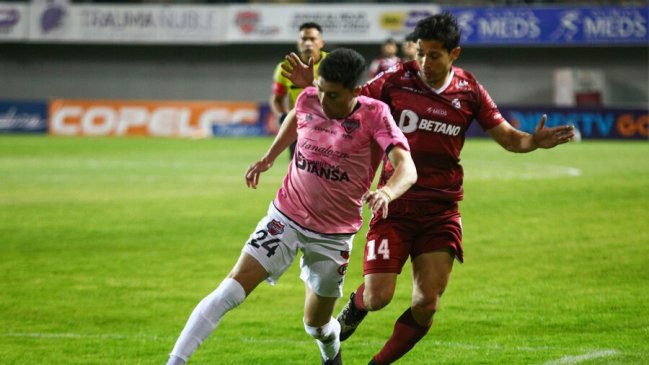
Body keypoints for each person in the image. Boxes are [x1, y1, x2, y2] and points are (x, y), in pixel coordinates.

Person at [282, 13, 575, 365]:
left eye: (433, 55)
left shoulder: (469, 90)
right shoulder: (394, 80)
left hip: (441, 210)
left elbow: (510, 139)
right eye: (419, 53)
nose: (423, 62)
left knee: (426, 304)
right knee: (378, 297)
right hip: (394, 206)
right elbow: (350, 101)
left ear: (455, 54)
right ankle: (357, 307)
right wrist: (312, 88)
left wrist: (532, 142)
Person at [164, 48, 417, 365]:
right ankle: (175, 361)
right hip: (285, 218)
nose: (323, 101)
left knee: (316, 325)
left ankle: (331, 353)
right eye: (321, 90)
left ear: (356, 91)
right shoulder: (310, 98)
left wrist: (389, 192)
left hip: (333, 237)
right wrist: (268, 158)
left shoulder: (376, 114)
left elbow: (407, 167)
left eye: (334, 96)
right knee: (229, 291)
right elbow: (297, 116)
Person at [270, 22, 326, 159]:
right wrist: (282, 116)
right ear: (298, 42)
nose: (308, 43)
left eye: (312, 39)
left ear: (321, 43)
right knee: (296, 169)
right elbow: (277, 99)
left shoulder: (333, 62)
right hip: (298, 126)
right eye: (304, 39)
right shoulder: (285, 67)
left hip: (327, 125)